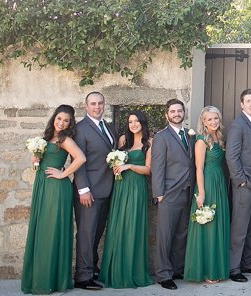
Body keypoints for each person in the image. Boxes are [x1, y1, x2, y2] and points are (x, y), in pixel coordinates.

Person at [21, 105, 86, 294]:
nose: (62, 123)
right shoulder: (45, 138)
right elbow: (38, 164)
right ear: (54, 118)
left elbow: (81, 158)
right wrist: (35, 159)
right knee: (41, 229)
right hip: (42, 185)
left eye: (66, 120)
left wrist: (63, 174)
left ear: (70, 123)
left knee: (51, 229)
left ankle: (52, 279)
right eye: (59, 119)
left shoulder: (65, 140)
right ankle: (39, 276)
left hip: (56, 188)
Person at [98, 111, 154, 289]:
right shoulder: (123, 140)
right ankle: (114, 270)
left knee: (132, 226)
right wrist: (115, 165)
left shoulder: (150, 142)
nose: (133, 124)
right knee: (117, 225)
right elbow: (113, 161)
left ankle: (131, 271)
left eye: (137, 121)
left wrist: (129, 166)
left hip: (137, 188)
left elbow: (148, 170)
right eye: (130, 121)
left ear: (142, 123)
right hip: (120, 188)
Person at [151, 98, 195, 290]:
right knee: (165, 235)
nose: (177, 114)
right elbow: (157, 167)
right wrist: (159, 194)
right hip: (169, 193)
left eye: (179, 111)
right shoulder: (161, 137)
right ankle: (163, 274)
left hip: (187, 191)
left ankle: (177, 269)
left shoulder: (190, 135)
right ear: (167, 114)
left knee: (181, 233)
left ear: (183, 113)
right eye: (173, 111)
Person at [225, 88, 251, 282]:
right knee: (240, 227)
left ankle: (249, 263)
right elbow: (232, 156)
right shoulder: (238, 125)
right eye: (247, 101)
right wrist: (240, 180)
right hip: (245, 184)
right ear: (242, 104)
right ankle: (234, 268)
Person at [72, 91, 115, 290]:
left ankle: (92, 267)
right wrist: (83, 189)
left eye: (100, 103)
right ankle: (83, 277)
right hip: (89, 190)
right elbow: (77, 161)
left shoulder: (108, 127)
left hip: (106, 188)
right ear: (86, 106)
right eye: (93, 104)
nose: (97, 107)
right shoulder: (80, 129)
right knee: (86, 233)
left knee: (97, 232)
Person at [184, 106, 231, 284]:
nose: (213, 122)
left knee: (218, 224)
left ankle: (216, 268)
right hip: (208, 184)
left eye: (216, 119)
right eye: (209, 119)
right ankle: (205, 270)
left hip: (219, 182)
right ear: (203, 122)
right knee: (208, 226)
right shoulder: (201, 141)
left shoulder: (218, 139)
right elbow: (199, 168)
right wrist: (201, 193)